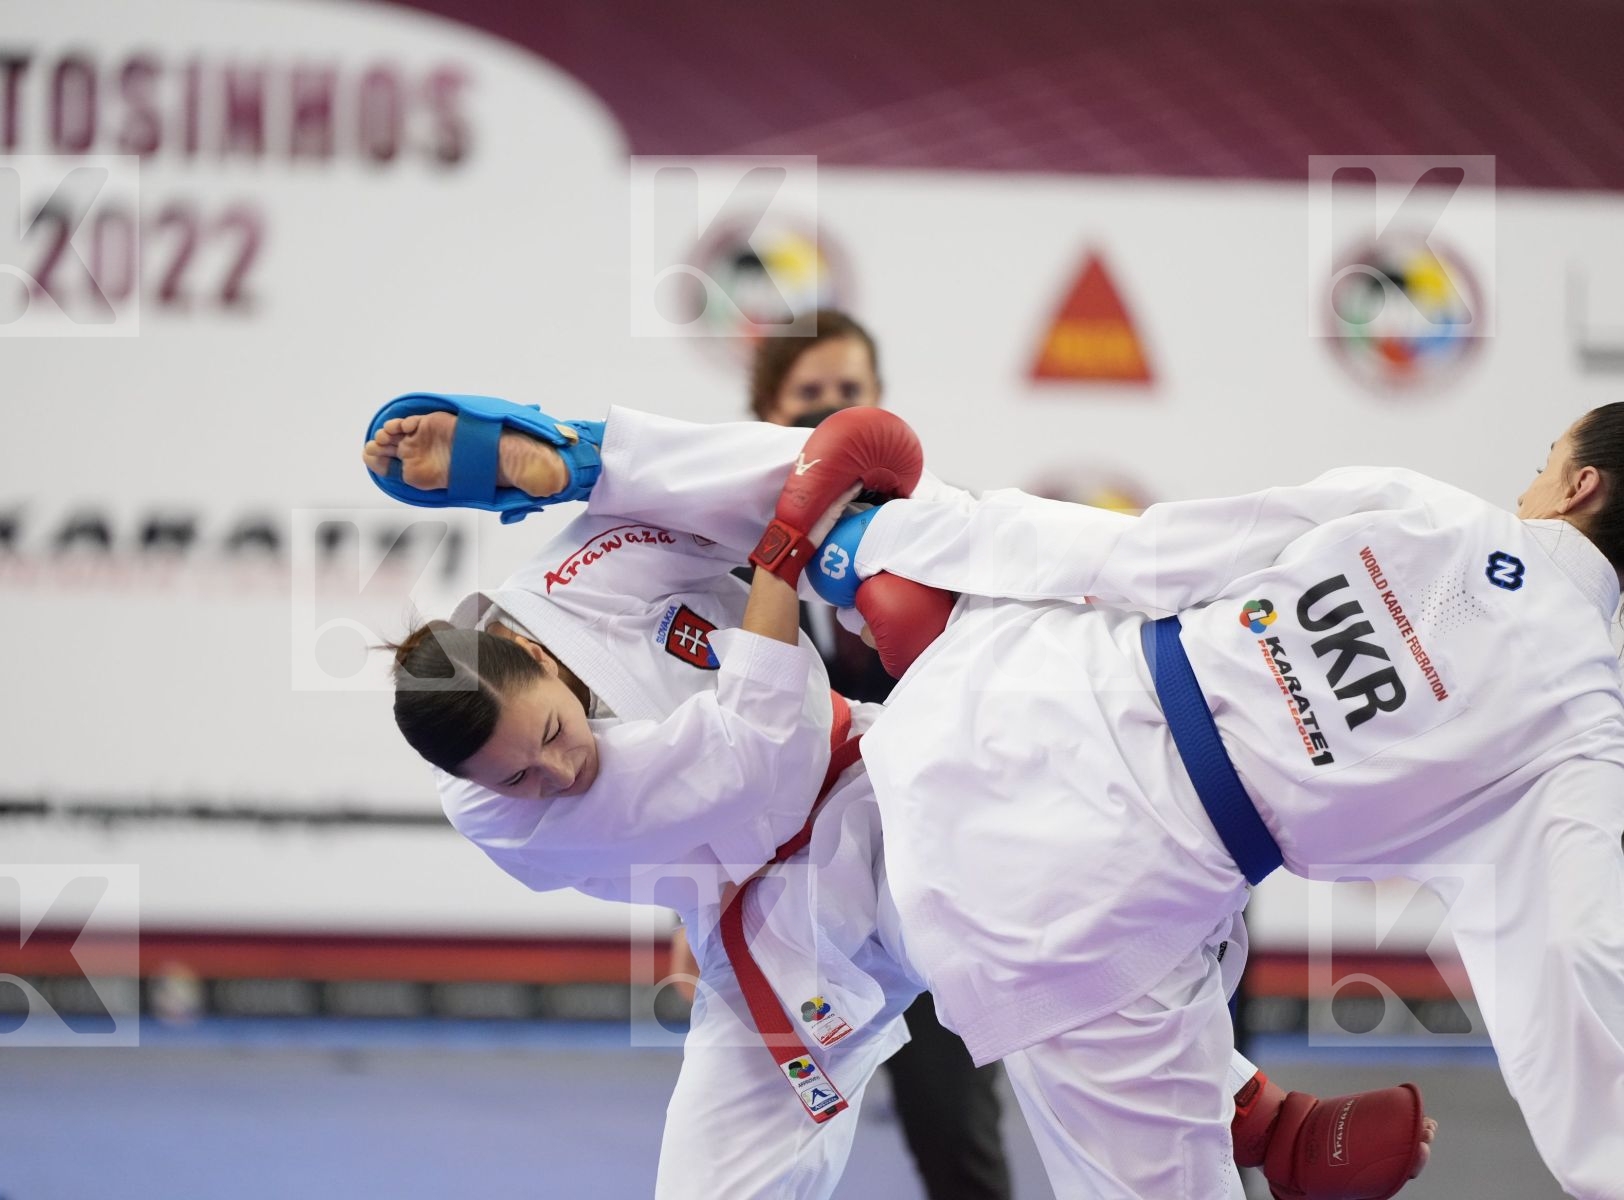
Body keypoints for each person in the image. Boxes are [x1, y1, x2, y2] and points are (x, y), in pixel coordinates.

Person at [361, 398, 1439, 1200]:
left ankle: (1260, 1124)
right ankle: (1255, 1118)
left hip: (896, 790)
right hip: (781, 934)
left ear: (526, 652)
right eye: (516, 777)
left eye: (548, 736)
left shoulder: (586, 573)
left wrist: (576, 465)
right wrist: (784, 557)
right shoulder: (496, 814)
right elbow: (754, 753)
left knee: (1053, 890)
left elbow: (729, 490)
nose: (553, 775)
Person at [794, 403, 1624, 1199]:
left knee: (799, 888)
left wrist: (912, 537)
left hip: (1021, 707)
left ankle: (1263, 1116)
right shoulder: (1582, 729)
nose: (1528, 491)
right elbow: (1574, 953)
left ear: (1581, 486)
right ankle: (1264, 1121)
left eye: (1541, 467)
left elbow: (1151, 554)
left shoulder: (1437, 514)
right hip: (1103, 904)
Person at [745, 311, 1014, 1200]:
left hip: (945, 888)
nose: (831, 411)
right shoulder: (732, 570)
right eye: (809, 397)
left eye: (849, 393)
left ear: (878, 407)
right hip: (804, 917)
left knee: (957, 1132)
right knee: (774, 1151)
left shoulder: (952, 535)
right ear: (765, 412)